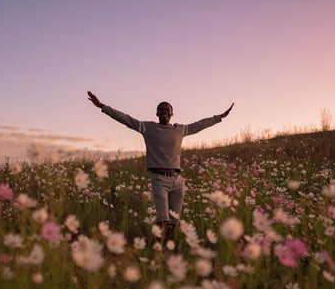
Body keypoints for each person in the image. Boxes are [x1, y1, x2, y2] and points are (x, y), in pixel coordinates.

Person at [87, 91, 234, 240]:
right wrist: (102, 106)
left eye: (167, 109)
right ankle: (157, 248)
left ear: (172, 114)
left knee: (173, 222)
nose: (164, 112)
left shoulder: (180, 130)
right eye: (161, 109)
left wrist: (219, 117)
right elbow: (126, 119)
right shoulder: (148, 128)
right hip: (159, 180)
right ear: (156, 113)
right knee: (162, 219)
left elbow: (199, 125)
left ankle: (169, 248)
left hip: (178, 181)